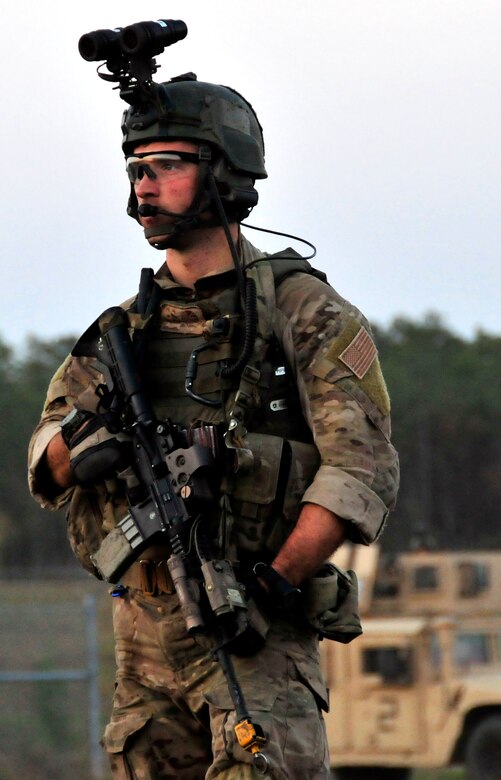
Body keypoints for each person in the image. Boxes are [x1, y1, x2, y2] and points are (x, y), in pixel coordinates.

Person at [28, 66, 399, 780]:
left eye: (166, 165)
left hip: (254, 639)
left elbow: (360, 469)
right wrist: (85, 446)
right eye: (137, 168)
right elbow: (43, 458)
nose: (144, 185)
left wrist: (273, 582)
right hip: (143, 656)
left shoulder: (304, 313)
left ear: (224, 175)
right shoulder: (121, 333)